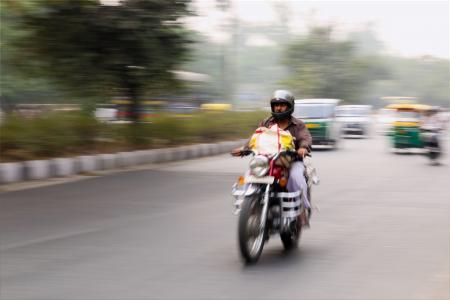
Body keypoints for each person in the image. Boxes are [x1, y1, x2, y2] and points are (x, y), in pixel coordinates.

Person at [231, 90, 313, 224]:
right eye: (276, 105)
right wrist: (244, 148)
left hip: (290, 161)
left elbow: (305, 138)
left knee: (296, 177)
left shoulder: (298, 125)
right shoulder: (266, 123)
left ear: (290, 106)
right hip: (267, 162)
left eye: (282, 105)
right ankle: (249, 207)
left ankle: (301, 209)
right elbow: (255, 138)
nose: (278, 107)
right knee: (249, 175)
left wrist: (303, 147)